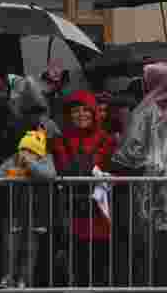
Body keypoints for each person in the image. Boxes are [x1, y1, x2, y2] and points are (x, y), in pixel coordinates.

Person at [109, 62, 167, 288]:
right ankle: (166, 285)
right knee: (165, 245)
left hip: (145, 190)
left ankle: (151, 286)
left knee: (147, 247)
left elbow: (127, 155)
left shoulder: (144, 111)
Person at [51, 90, 117, 287]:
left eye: (86, 110)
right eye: (76, 111)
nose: (81, 115)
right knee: (77, 267)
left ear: (94, 112)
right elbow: (64, 166)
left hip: (100, 214)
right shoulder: (61, 140)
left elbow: (113, 168)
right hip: (73, 213)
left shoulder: (107, 139)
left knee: (100, 267)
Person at [0, 128, 57, 289]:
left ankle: (24, 280)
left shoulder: (45, 159)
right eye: (23, 149)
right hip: (13, 212)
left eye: (30, 151)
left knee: (30, 248)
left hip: (35, 214)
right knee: (10, 246)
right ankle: (8, 277)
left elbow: (50, 175)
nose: (25, 154)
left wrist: (30, 164)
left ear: (39, 152)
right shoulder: (12, 160)